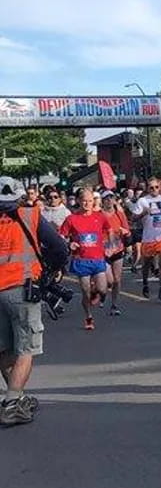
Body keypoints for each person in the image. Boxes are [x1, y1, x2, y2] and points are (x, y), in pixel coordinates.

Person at [0, 177, 69, 426]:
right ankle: (10, 405)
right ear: (19, 197)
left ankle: (16, 397)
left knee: (5, 351)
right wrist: (54, 268)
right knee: (26, 349)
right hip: (22, 288)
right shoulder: (31, 215)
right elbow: (60, 248)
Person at [59, 188, 111, 330]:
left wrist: (109, 245)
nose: (87, 204)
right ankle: (88, 317)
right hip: (81, 259)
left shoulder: (100, 217)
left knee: (103, 289)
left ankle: (96, 292)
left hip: (98, 258)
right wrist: (70, 244)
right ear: (78, 201)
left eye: (90, 201)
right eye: (84, 201)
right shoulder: (72, 218)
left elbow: (109, 229)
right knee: (85, 290)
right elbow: (62, 235)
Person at [131, 178, 161, 301]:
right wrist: (143, 213)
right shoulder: (143, 201)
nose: (154, 190)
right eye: (151, 187)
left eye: (156, 187)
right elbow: (133, 218)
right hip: (148, 237)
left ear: (160, 187)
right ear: (147, 189)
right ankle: (145, 283)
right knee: (146, 264)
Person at [101, 190, 130, 316]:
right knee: (110, 280)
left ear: (114, 200)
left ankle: (114, 304)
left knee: (117, 280)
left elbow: (127, 231)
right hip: (104, 251)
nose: (109, 200)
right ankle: (101, 292)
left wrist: (125, 232)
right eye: (106, 198)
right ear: (102, 201)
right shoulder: (99, 215)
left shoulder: (119, 214)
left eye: (111, 198)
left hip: (118, 248)